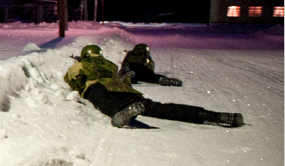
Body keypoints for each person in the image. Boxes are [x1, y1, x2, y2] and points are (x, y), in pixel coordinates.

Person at [65, 44, 243, 128]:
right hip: (123, 89)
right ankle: (214, 116)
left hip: (97, 86)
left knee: (102, 100)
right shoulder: (110, 64)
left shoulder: (80, 65)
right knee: (159, 108)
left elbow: (70, 78)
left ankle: (119, 114)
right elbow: (122, 79)